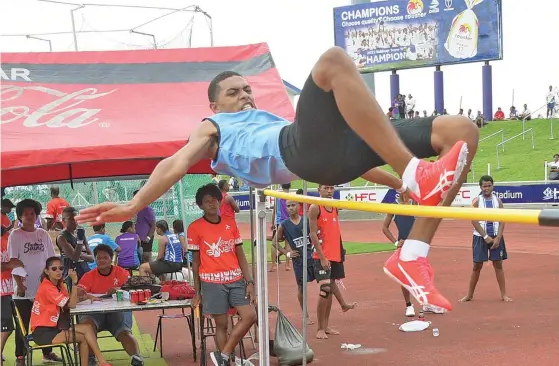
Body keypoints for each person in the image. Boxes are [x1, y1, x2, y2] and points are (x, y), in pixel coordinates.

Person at [78, 47, 480, 311]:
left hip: (330, 156)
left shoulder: (267, 116)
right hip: (297, 151)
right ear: (214, 103)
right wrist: (134, 204)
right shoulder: (212, 125)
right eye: (235, 92)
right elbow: (176, 162)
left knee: (462, 132)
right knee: (333, 62)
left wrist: (398, 185)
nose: (246, 97)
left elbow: (345, 159)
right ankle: (416, 173)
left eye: (248, 90)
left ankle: (412, 256)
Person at [188, 184, 256, 366]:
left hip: (236, 280)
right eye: (207, 201)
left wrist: (249, 281)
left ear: (220, 201)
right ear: (200, 205)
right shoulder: (195, 228)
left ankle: (223, 355)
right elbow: (195, 263)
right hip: (211, 282)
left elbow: (241, 254)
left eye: (215, 200)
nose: (212, 204)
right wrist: (197, 291)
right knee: (222, 325)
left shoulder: (230, 223)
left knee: (250, 315)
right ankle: (227, 362)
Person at [8, 199, 62, 364]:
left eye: (33, 213)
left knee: (46, 321)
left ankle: (47, 353)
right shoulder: (15, 235)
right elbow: (14, 261)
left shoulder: (43, 234)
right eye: (26, 214)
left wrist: (53, 281)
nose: (30, 217)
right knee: (23, 324)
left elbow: (51, 260)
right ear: (20, 216)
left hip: (44, 288)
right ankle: (20, 356)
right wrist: (19, 284)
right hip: (23, 289)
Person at [30, 258, 110, 366]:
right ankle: (102, 362)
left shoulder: (59, 284)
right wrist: (74, 283)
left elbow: (70, 301)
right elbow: (71, 304)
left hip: (55, 326)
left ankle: (102, 362)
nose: (58, 271)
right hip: (44, 331)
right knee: (84, 337)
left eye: (61, 268)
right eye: (54, 269)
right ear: (47, 271)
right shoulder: (47, 287)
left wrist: (86, 297)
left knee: (88, 328)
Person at [77, 244, 144, 366]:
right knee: (87, 326)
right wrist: (81, 295)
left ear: (111, 258)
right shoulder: (88, 276)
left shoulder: (122, 273)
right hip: (94, 313)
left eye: (105, 257)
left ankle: (137, 358)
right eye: (98, 258)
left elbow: (132, 291)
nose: (101, 260)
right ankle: (90, 358)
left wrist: (119, 290)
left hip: (117, 312)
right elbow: (79, 295)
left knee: (124, 332)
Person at [309, 185, 356, 339]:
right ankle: (319, 329)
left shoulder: (335, 206)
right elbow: (312, 234)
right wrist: (322, 256)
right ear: (319, 189)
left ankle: (326, 326)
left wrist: (340, 250)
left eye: (331, 188)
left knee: (329, 289)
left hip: (335, 254)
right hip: (322, 255)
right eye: (326, 188)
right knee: (325, 290)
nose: (329, 191)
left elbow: (334, 230)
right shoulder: (315, 207)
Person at [459, 175, 512, 303]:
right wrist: (485, 236)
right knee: (477, 265)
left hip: (496, 237)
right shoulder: (476, 201)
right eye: (484, 186)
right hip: (480, 237)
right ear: (480, 187)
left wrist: (498, 237)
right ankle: (469, 295)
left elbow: (502, 219)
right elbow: (474, 220)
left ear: (493, 186)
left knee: (498, 264)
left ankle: (504, 294)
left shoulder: (498, 201)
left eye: (489, 185)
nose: (487, 188)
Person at [272, 200, 315, 324]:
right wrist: (287, 253)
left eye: (293, 205)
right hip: (299, 261)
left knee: (325, 284)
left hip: (312, 258)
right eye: (288, 206)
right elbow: (275, 242)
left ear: (298, 206)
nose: (290, 208)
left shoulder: (306, 220)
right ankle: (305, 315)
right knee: (302, 288)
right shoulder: (284, 225)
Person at [382, 195, 417, 317]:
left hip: (417, 245)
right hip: (404, 247)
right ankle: (408, 305)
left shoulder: (416, 203)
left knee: (421, 274)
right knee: (405, 276)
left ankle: (426, 303)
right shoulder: (394, 206)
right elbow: (384, 228)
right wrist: (396, 243)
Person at [1, 204, 23, 363]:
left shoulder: (8, 240)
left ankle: (20, 355)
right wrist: (12, 264)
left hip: (12, 289)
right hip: (2, 290)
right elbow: (9, 264)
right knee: (7, 326)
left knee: (18, 325)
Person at [56, 207, 93, 282]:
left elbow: (92, 258)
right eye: (71, 219)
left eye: (76, 218)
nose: (75, 221)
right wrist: (80, 243)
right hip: (71, 275)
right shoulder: (62, 237)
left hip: (85, 271)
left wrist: (80, 255)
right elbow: (75, 258)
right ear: (64, 220)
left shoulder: (80, 233)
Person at [270, 183, 292, 272]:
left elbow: (274, 210)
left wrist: (272, 222)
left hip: (279, 222)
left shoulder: (277, 196)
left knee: (274, 243)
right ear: (290, 186)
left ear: (281, 186)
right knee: (288, 244)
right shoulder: (291, 197)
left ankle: (273, 265)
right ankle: (287, 264)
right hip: (288, 222)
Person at [133, 190, 155, 263]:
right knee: (138, 257)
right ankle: (142, 273)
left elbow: (153, 225)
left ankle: (151, 273)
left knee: (146, 256)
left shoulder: (147, 210)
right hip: (136, 239)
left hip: (145, 239)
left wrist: (148, 237)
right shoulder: (133, 210)